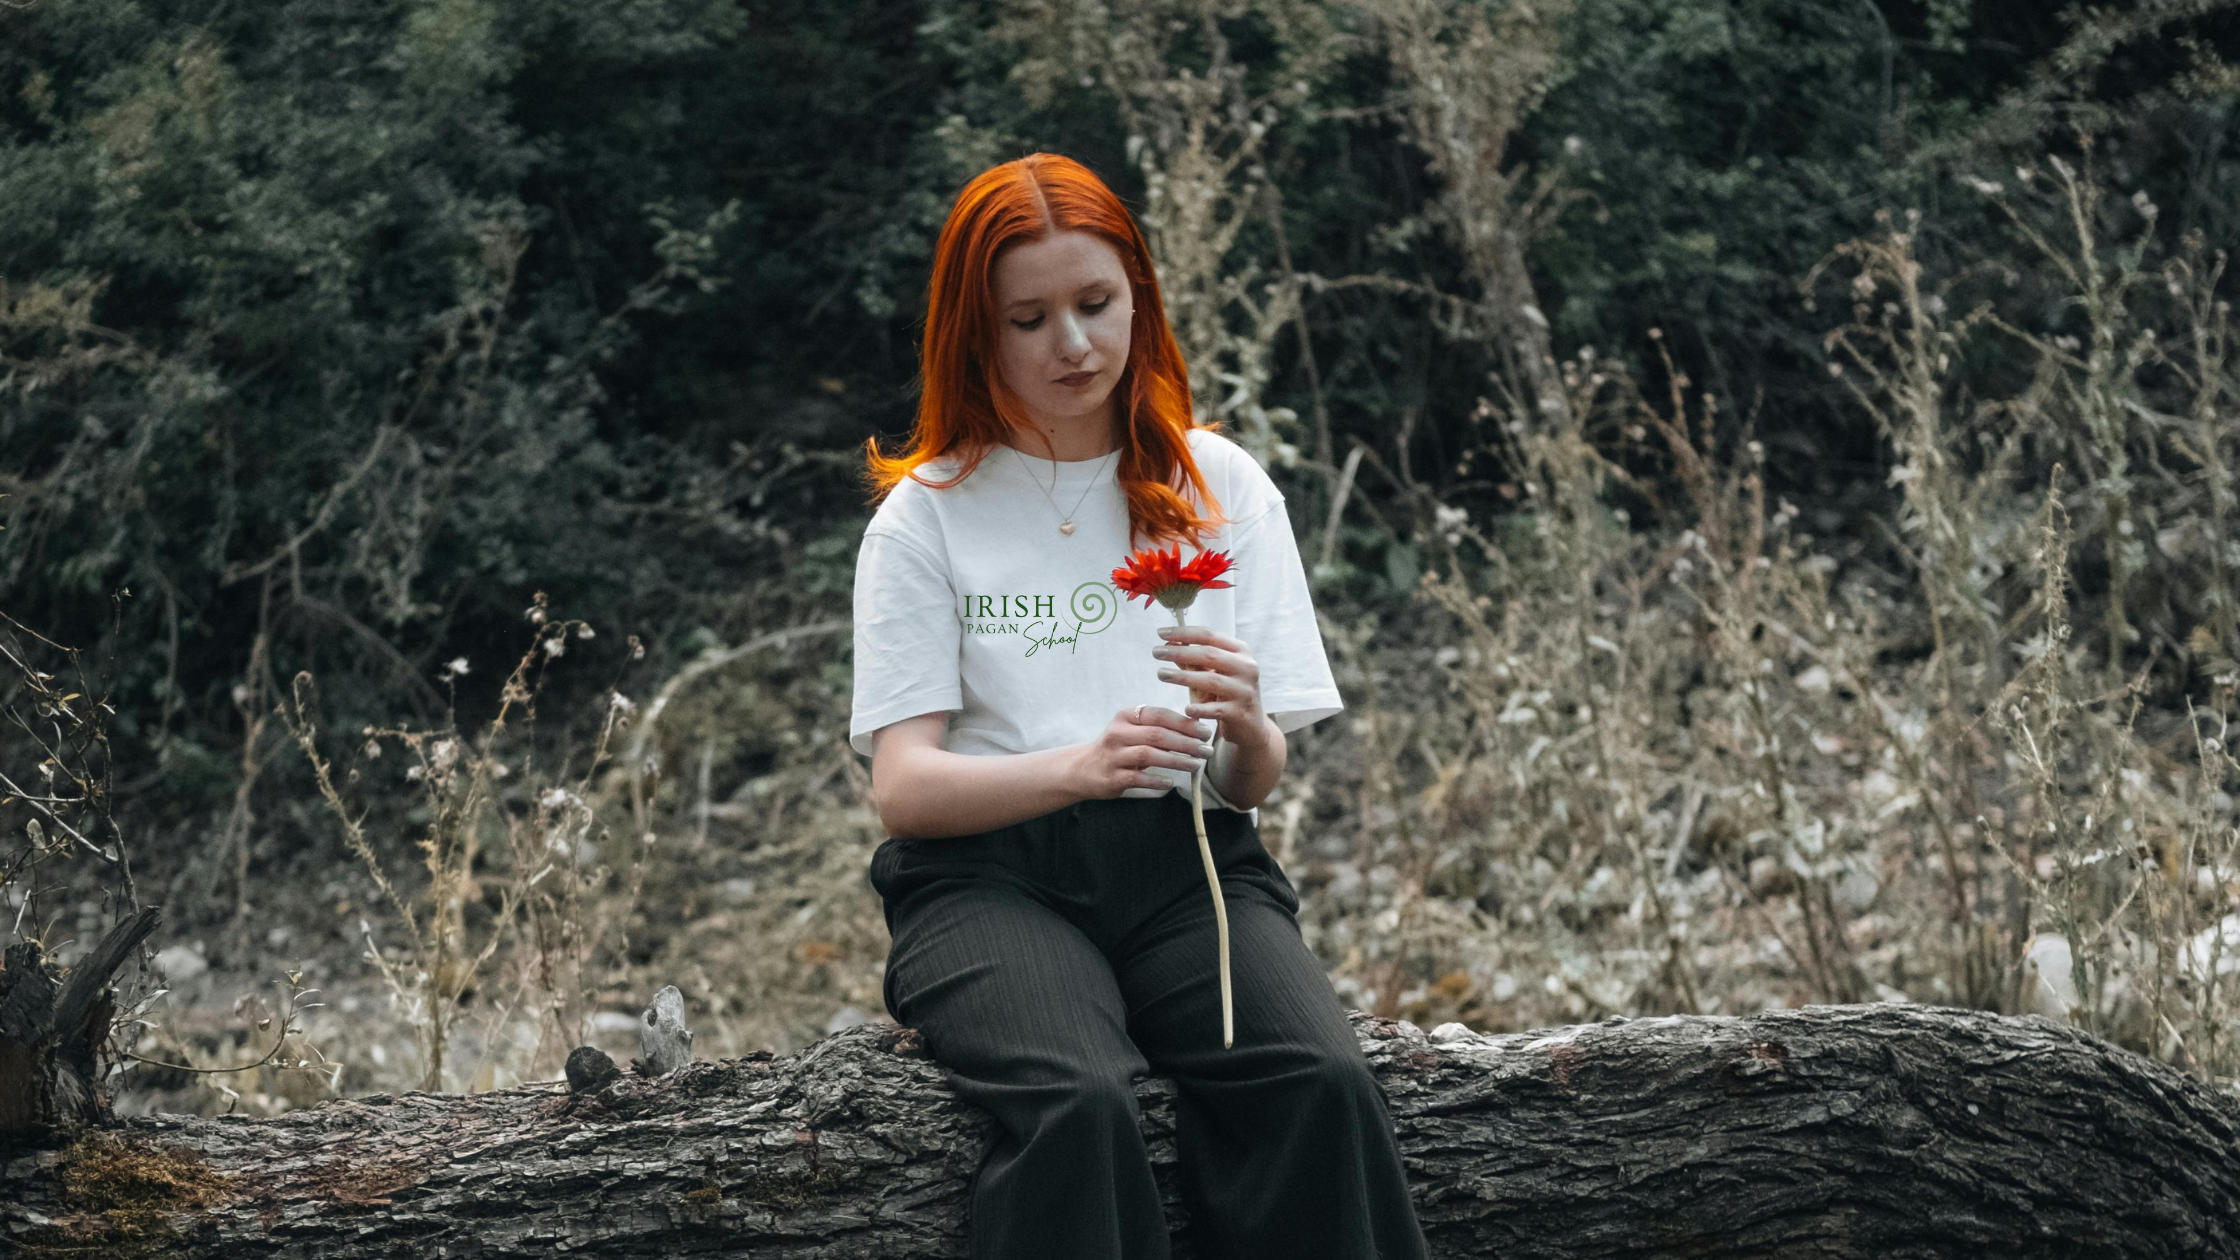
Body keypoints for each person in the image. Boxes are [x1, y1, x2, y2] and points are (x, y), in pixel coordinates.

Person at [848, 152, 1429, 1260]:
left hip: (1188, 870)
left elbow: (1248, 782)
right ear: (974, 332)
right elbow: (903, 789)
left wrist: (1249, 733)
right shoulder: (924, 519)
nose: (1072, 344)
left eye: (1096, 304)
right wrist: (1073, 767)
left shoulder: (1217, 484)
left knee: (1322, 1079)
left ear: (1138, 302)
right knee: (1080, 1101)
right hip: (985, 884)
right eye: (1029, 318)